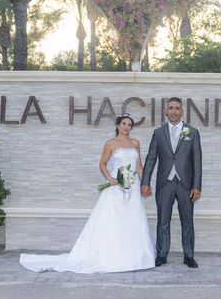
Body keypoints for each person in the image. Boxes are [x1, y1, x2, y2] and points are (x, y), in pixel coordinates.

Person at [20, 114, 155, 273]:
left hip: (133, 187)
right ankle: (111, 256)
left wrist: (144, 183)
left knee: (133, 218)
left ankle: (134, 257)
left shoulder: (135, 143)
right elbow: (102, 164)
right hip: (116, 187)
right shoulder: (110, 143)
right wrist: (110, 178)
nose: (127, 127)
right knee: (113, 219)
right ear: (118, 125)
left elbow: (139, 165)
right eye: (124, 123)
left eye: (130, 124)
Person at [141, 97, 202, 269]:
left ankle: (189, 256)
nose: (174, 111)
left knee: (188, 221)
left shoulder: (192, 132)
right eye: (171, 108)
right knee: (163, 220)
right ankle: (162, 254)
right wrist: (145, 182)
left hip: (186, 185)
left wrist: (197, 186)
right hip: (165, 184)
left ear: (182, 112)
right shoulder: (158, 133)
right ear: (166, 111)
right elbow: (151, 159)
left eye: (177, 108)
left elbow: (197, 161)